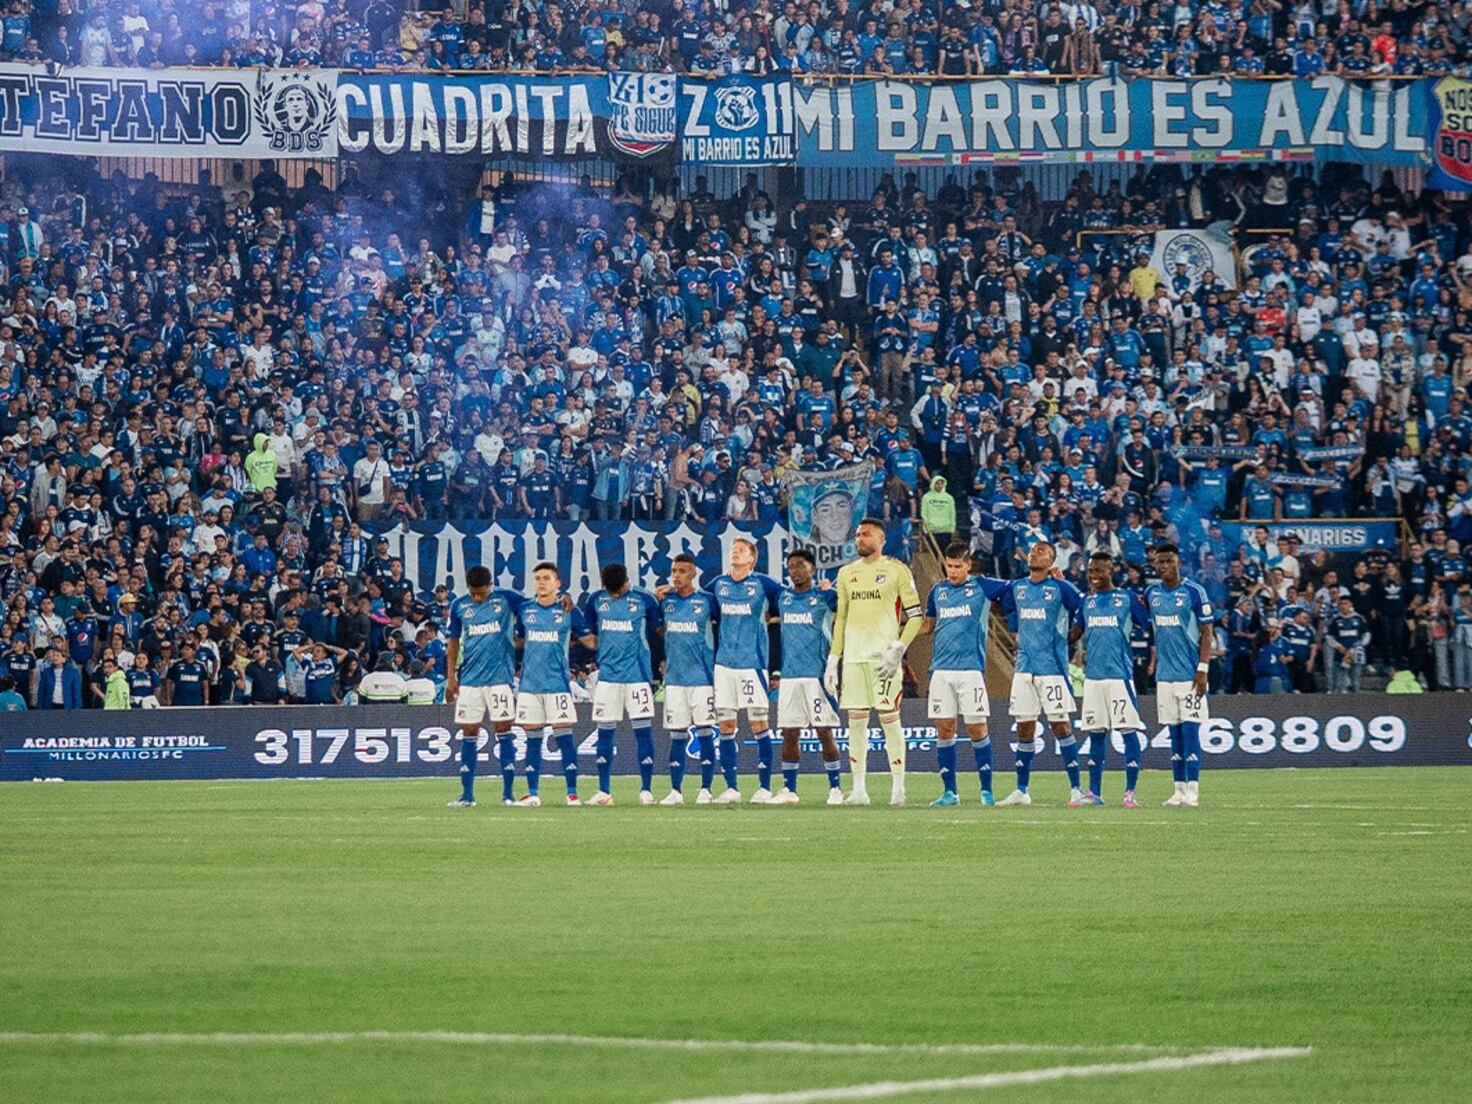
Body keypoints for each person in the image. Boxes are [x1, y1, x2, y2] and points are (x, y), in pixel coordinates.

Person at [828, 517, 923, 806]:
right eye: (857, 535)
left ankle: (898, 788)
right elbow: (841, 618)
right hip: (854, 659)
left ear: (881, 539)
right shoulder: (846, 573)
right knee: (856, 723)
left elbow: (916, 616)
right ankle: (859, 790)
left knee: (889, 720)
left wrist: (898, 648)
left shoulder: (896, 570)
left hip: (884, 660)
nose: (859, 539)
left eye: (866, 535)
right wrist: (834, 659)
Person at [920, 543, 1011, 807]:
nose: (953, 571)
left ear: (968, 565)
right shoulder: (938, 591)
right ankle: (950, 793)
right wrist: (899, 636)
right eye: (949, 566)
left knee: (976, 728)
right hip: (940, 671)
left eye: (958, 566)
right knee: (945, 729)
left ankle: (986, 791)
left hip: (971, 670)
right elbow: (928, 626)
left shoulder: (982, 586)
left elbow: (1014, 587)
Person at [997, 541, 1085, 807]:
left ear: (1052, 561)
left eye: (1042, 551)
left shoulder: (1061, 587)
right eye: (1033, 550)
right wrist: (1014, 631)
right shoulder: (1017, 586)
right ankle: (1022, 790)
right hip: (1024, 669)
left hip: (1053, 669)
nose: (1035, 553)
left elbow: (1084, 608)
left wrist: (1071, 636)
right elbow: (1005, 604)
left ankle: (1076, 789)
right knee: (1025, 728)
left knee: (1061, 726)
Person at [578, 563, 662, 806]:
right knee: (604, 733)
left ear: (627, 581)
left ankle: (646, 790)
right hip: (607, 679)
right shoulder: (595, 600)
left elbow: (659, 630)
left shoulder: (645, 599)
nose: (615, 595)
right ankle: (604, 791)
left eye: (619, 590)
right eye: (611, 592)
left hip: (637, 678)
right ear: (604, 586)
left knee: (643, 733)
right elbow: (591, 636)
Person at [708, 537, 784, 803]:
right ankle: (731, 788)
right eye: (733, 549)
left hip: (753, 665)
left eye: (741, 550)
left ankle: (764, 787)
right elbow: (703, 608)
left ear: (752, 558)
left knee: (759, 724)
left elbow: (787, 601)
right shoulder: (718, 585)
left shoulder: (763, 584)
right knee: (726, 725)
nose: (735, 552)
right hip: (724, 665)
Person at [445, 565, 524, 808]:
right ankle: (467, 795)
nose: (478, 597)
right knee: (469, 733)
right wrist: (451, 678)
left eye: (482, 592)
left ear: (491, 585)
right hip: (469, 681)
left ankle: (508, 794)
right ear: (468, 588)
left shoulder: (506, 599)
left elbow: (535, 608)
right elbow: (453, 643)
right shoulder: (459, 605)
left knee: (504, 731)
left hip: (500, 679)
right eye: (474, 593)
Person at [1145, 543, 1215, 808]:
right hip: (1164, 676)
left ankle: (1193, 791)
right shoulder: (1151, 593)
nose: (1164, 566)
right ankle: (1178, 789)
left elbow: (1207, 631)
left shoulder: (1194, 591)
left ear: (1178, 563)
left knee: (1190, 731)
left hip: (1189, 675)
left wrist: (1203, 669)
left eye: (1168, 561)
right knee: (1173, 733)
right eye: (1159, 562)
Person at [1078, 553, 1151, 808]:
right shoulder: (1086, 602)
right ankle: (1094, 792)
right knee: (1096, 734)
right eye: (1090, 572)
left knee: (1128, 732)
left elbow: (1147, 623)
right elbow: (1076, 631)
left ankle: (1130, 791)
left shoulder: (1126, 599)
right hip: (1093, 679)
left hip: (1119, 676)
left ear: (1111, 571)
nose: (1094, 576)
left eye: (1098, 571)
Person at [773, 549, 845, 805]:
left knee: (824, 731)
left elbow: (848, 608)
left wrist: (833, 590)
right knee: (789, 732)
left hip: (817, 675)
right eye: (790, 567)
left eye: (799, 566)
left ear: (812, 569)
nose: (794, 571)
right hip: (790, 676)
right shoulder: (783, 598)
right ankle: (789, 790)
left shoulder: (826, 597)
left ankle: (835, 788)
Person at [511, 562, 585, 807]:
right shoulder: (524, 609)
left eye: (546, 578)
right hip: (530, 686)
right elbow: (520, 640)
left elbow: (588, 638)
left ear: (558, 583)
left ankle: (572, 793)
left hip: (557, 684)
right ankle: (532, 793)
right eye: (538, 578)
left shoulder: (568, 609)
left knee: (564, 737)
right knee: (532, 739)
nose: (541, 582)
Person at [656, 553, 720, 805]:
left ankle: (706, 788)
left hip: (702, 678)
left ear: (693, 574)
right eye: (674, 571)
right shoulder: (666, 602)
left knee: (705, 732)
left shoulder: (707, 601)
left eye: (683, 571)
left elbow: (725, 624)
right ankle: (675, 791)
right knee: (677, 735)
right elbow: (660, 628)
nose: (677, 576)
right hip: (674, 679)